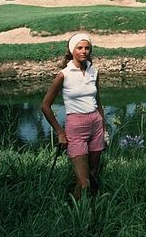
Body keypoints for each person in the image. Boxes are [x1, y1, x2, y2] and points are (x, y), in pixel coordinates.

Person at [41, 33, 105, 200]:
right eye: (79, 48)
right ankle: (72, 213)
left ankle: (87, 211)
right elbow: (45, 106)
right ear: (72, 50)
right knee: (84, 182)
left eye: (87, 48)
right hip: (76, 126)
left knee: (93, 173)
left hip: (96, 124)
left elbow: (98, 103)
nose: (84, 51)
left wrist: (104, 130)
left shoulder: (94, 71)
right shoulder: (64, 74)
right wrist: (60, 132)